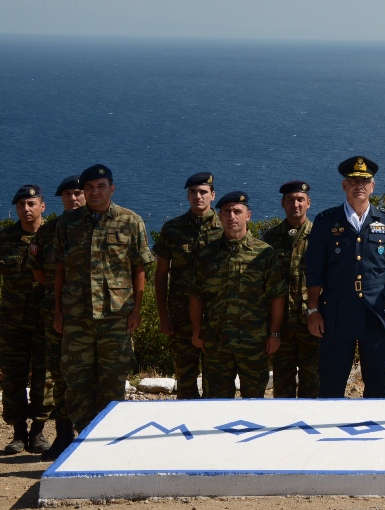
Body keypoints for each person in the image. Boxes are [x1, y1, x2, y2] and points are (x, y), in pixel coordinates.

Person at [53, 164, 154, 434]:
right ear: (83, 191)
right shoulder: (67, 223)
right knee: (77, 381)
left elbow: (139, 268)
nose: (94, 192)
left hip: (116, 316)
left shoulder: (130, 221)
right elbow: (59, 269)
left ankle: (107, 438)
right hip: (77, 317)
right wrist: (58, 312)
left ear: (112, 188)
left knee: (113, 380)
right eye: (89, 188)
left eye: (100, 187)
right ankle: (84, 436)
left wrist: (136, 311)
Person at [306, 156, 385, 399]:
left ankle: (374, 433)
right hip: (338, 314)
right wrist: (312, 310)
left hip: (377, 314)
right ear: (344, 186)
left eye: (364, 181)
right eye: (353, 181)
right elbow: (314, 270)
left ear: (372, 186)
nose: (358, 185)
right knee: (331, 383)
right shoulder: (326, 221)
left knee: (378, 384)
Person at [191, 192, 285, 399]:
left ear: (248, 215)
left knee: (253, 402)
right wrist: (197, 331)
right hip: (217, 344)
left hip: (253, 343)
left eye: (237, 211)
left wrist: (274, 333)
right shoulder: (207, 254)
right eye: (227, 212)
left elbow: (276, 296)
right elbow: (197, 296)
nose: (232, 216)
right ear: (220, 217)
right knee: (216, 402)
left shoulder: (264, 253)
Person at [28, 176, 84, 460]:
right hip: (56, 312)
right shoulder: (49, 232)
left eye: (77, 193)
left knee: (89, 373)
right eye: (67, 195)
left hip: (90, 314)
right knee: (60, 372)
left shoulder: (93, 227)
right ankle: (64, 434)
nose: (72, 199)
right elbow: (38, 271)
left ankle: (92, 434)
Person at [153, 172, 222, 400]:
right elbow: (161, 274)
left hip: (216, 318)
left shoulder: (226, 227)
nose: (197, 196)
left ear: (213, 195)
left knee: (216, 382)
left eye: (203, 192)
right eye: (193, 192)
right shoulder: (173, 229)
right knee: (185, 382)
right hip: (180, 317)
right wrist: (163, 315)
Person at [0, 185, 50, 455]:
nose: (25, 209)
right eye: (20, 205)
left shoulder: (53, 236)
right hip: (12, 322)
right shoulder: (5, 238)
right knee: (13, 378)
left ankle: (39, 432)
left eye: (31, 203)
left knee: (45, 377)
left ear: (42, 206)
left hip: (45, 320)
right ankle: (18, 433)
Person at [262, 180, 318, 398]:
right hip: (281, 324)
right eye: (291, 200)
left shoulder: (320, 237)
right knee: (282, 386)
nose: (296, 204)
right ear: (283, 203)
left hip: (311, 323)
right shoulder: (270, 238)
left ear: (309, 203)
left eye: (300, 200)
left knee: (312, 385)